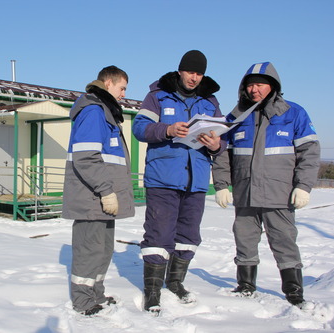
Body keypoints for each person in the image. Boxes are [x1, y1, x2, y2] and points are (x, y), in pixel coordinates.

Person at [212, 62, 320, 307]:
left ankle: (293, 290)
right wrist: (221, 185)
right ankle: (245, 285)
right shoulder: (236, 116)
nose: (254, 90)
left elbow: (310, 151)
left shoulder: (293, 113)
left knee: (284, 241)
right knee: (244, 238)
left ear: (273, 86)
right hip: (245, 192)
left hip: (279, 193)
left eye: (259, 84)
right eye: (250, 85)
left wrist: (303, 186)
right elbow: (221, 152)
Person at [132, 50, 225, 313]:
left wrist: (217, 144)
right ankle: (152, 291)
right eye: (190, 72)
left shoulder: (210, 102)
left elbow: (222, 139)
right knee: (159, 235)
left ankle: (175, 282)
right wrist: (167, 129)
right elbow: (139, 128)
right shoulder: (157, 96)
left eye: (199, 73)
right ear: (180, 71)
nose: (194, 78)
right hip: (163, 178)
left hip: (196, 181)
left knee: (188, 236)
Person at [62, 65, 135, 316]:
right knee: (88, 249)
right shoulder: (94, 111)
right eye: (122, 88)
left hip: (103, 199)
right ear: (107, 84)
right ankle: (82, 301)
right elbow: (86, 157)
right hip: (92, 198)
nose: (124, 94)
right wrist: (106, 190)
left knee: (103, 250)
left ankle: (96, 293)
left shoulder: (106, 112)